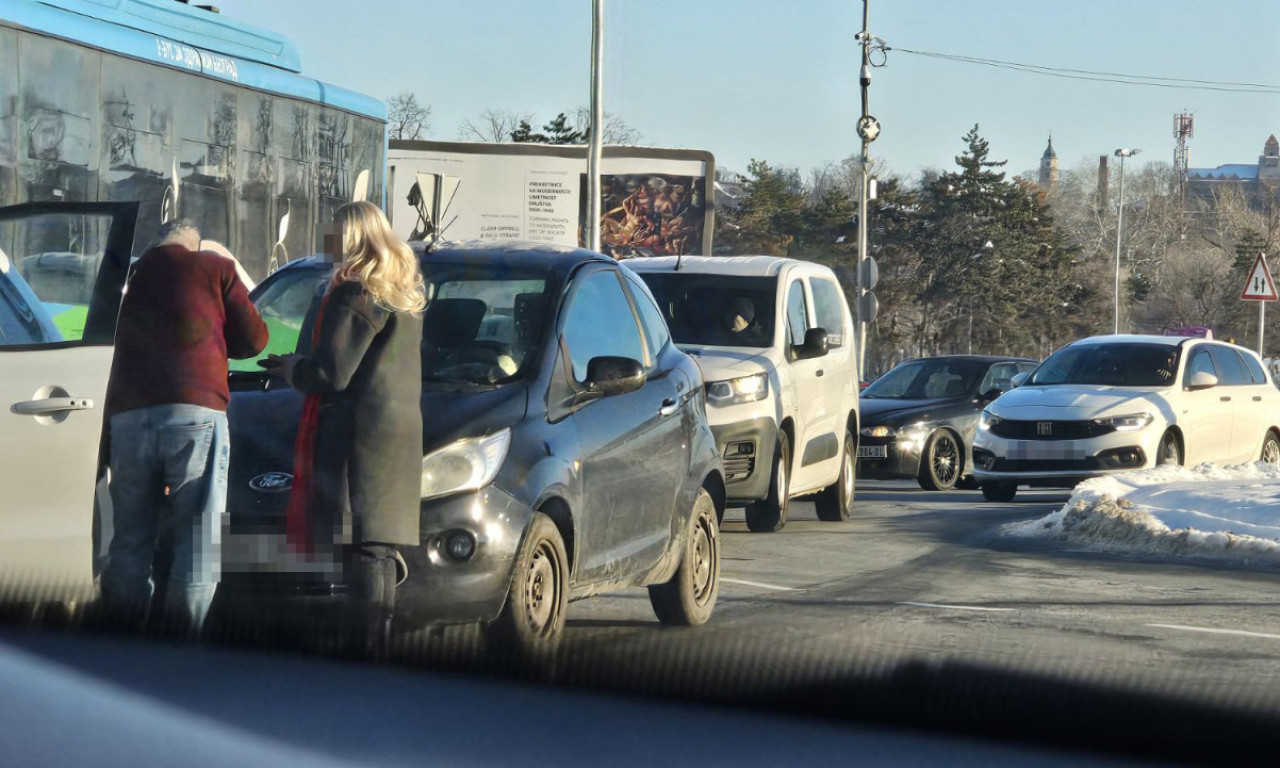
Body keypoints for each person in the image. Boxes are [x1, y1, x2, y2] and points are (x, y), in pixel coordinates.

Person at [266, 201, 426, 653]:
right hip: (395, 431)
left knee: (361, 548)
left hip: (358, 437)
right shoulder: (399, 292)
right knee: (378, 547)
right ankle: (376, 644)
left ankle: (364, 650)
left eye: (333, 234)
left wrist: (294, 368)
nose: (327, 243)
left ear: (352, 238)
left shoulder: (356, 293)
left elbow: (331, 373)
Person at [101, 219, 269, 635]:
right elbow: (254, 340)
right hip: (194, 414)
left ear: (157, 243)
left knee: (129, 543)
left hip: (129, 417)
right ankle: (179, 645)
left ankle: (121, 642)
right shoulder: (214, 267)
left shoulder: (130, 275)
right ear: (195, 243)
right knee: (198, 545)